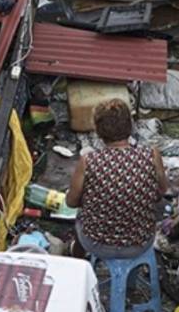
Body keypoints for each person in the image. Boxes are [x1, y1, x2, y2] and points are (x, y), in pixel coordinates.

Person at [67, 98, 167, 259]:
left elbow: (71, 202)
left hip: (96, 243)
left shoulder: (89, 161)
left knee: (80, 216)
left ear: (99, 131)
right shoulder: (151, 155)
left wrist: (96, 197)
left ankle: (78, 256)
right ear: (130, 126)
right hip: (140, 243)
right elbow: (161, 191)